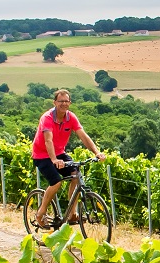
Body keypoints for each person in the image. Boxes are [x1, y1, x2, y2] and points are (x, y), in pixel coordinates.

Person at [31, 88, 105, 225]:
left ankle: (72, 214)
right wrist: (53, 160)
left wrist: (97, 152)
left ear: (70, 103)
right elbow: (48, 140)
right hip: (42, 155)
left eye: (66, 101)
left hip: (59, 153)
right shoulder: (47, 118)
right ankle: (41, 212)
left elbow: (83, 136)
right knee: (56, 182)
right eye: (61, 101)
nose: (64, 104)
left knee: (76, 175)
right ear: (54, 102)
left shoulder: (71, 117)